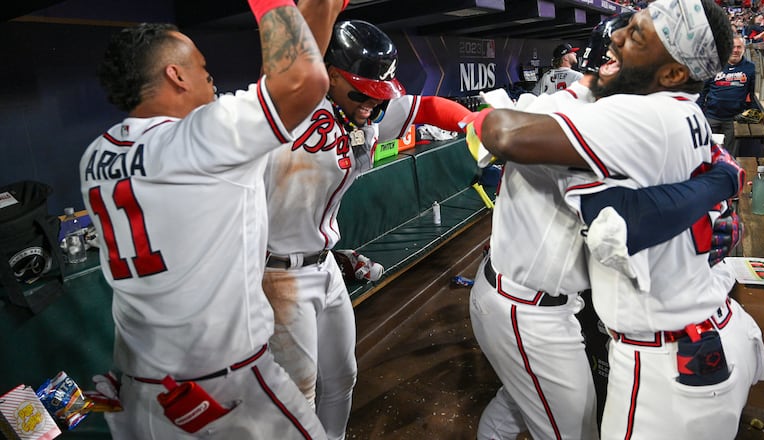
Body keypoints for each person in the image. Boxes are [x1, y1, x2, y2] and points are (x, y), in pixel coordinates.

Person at [466, 1, 764, 438]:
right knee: (532, 408)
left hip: (668, 358)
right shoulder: (684, 113)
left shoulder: (640, 114)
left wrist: (718, 183)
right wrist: (720, 182)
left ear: (672, 73)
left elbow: (503, 134)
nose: (618, 40)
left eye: (637, 36)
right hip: (697, 333)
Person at [79, 1, 344, 438]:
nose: (211, 77)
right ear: (175, 75)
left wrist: (321, 10)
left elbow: (295, 78)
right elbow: (303, 80)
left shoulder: (97, 154)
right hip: (224, 387)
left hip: (139, 392)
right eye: (201, 68)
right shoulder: (202, 138)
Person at [261, 19, 475, 440]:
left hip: (325, 266)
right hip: (276, 275)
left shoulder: (366, 113)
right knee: (297, 397)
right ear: (330, 75)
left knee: (342, 377)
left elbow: (427, 107)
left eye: (378, 96)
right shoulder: (287, 113)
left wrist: (474, 122)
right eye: (361, 92)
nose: (370, 106)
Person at [697, 35, 758, 154]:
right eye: (732, 47)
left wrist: (752, 111)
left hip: (734, 118)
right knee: (707, 152)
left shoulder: (750, 68)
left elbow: (754, 93)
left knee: (730, 154)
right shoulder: (714, 65)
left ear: (744, 49)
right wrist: (698, 110)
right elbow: (703, 90)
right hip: (711, 115)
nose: (735, 50)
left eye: (739, 47)